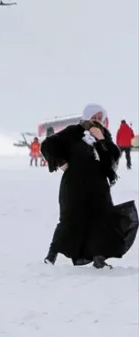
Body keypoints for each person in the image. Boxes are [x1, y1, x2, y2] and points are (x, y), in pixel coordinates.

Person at [41, 104, 125, 268]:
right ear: (86, 116)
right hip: (74, 183)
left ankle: (99, 258)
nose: (96, 120)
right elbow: (48, 144)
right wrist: (60, 162)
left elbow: (112, 158)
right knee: (70, 218)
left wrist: (101, 140)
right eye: (93, 117)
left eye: (99, 118)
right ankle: (52, 255)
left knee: (101, 218)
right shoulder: (73, 131)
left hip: (98, 185)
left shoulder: (104, 136)